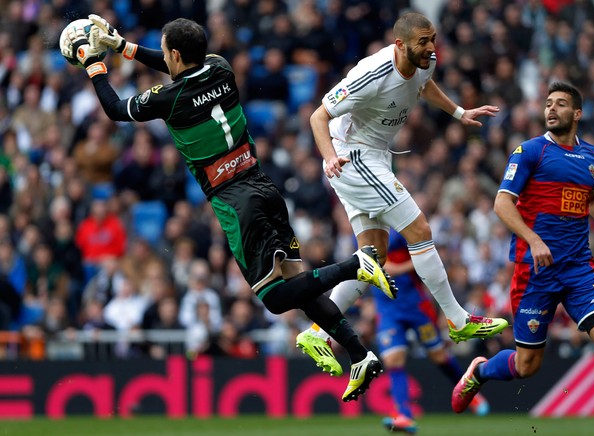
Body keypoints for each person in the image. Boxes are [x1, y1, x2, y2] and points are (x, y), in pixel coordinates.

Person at [61, 16, 397, 402]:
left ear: (173, 54)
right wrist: (123, 46)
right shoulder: (220, 66)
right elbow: (176, 66)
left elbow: (115, 109)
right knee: (299, 285)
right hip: (263, 184)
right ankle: (358, 353)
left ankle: (357, 265)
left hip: (236, 201)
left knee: (274, 298)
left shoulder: (169, 100)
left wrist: (93, 63)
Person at [296, 12, 508, 376]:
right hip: (354, 155)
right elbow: (318, 116)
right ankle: (457, 320)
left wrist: (459, 113)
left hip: (376, 156)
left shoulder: (427, 61)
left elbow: (424, 86)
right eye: (423, 42)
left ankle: (318, 332)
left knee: (372, 257)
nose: (431, 47)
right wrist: (330, 158)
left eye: (433, 39)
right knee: (420, 231)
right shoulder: (371, 73)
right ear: (399, 44)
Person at [451, 82, 594, 436]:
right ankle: (479, 371)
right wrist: (533, 239)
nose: (551, 109)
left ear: (577, 114)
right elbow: (502, 202)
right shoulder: (530, 151)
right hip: (535, 272)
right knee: (527, 366)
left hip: (578, 268)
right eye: (548, 104)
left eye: (561, 104)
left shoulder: (593, 157)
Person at [373, 231, 489, 434]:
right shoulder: (363, 227)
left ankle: (470, 391)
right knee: (393, 361)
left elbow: (422, 245)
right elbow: (379, 266)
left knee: (439, 356)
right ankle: (405, 416)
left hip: (416, 306)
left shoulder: (396, 230)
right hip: (388, 309)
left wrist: (415, 264)